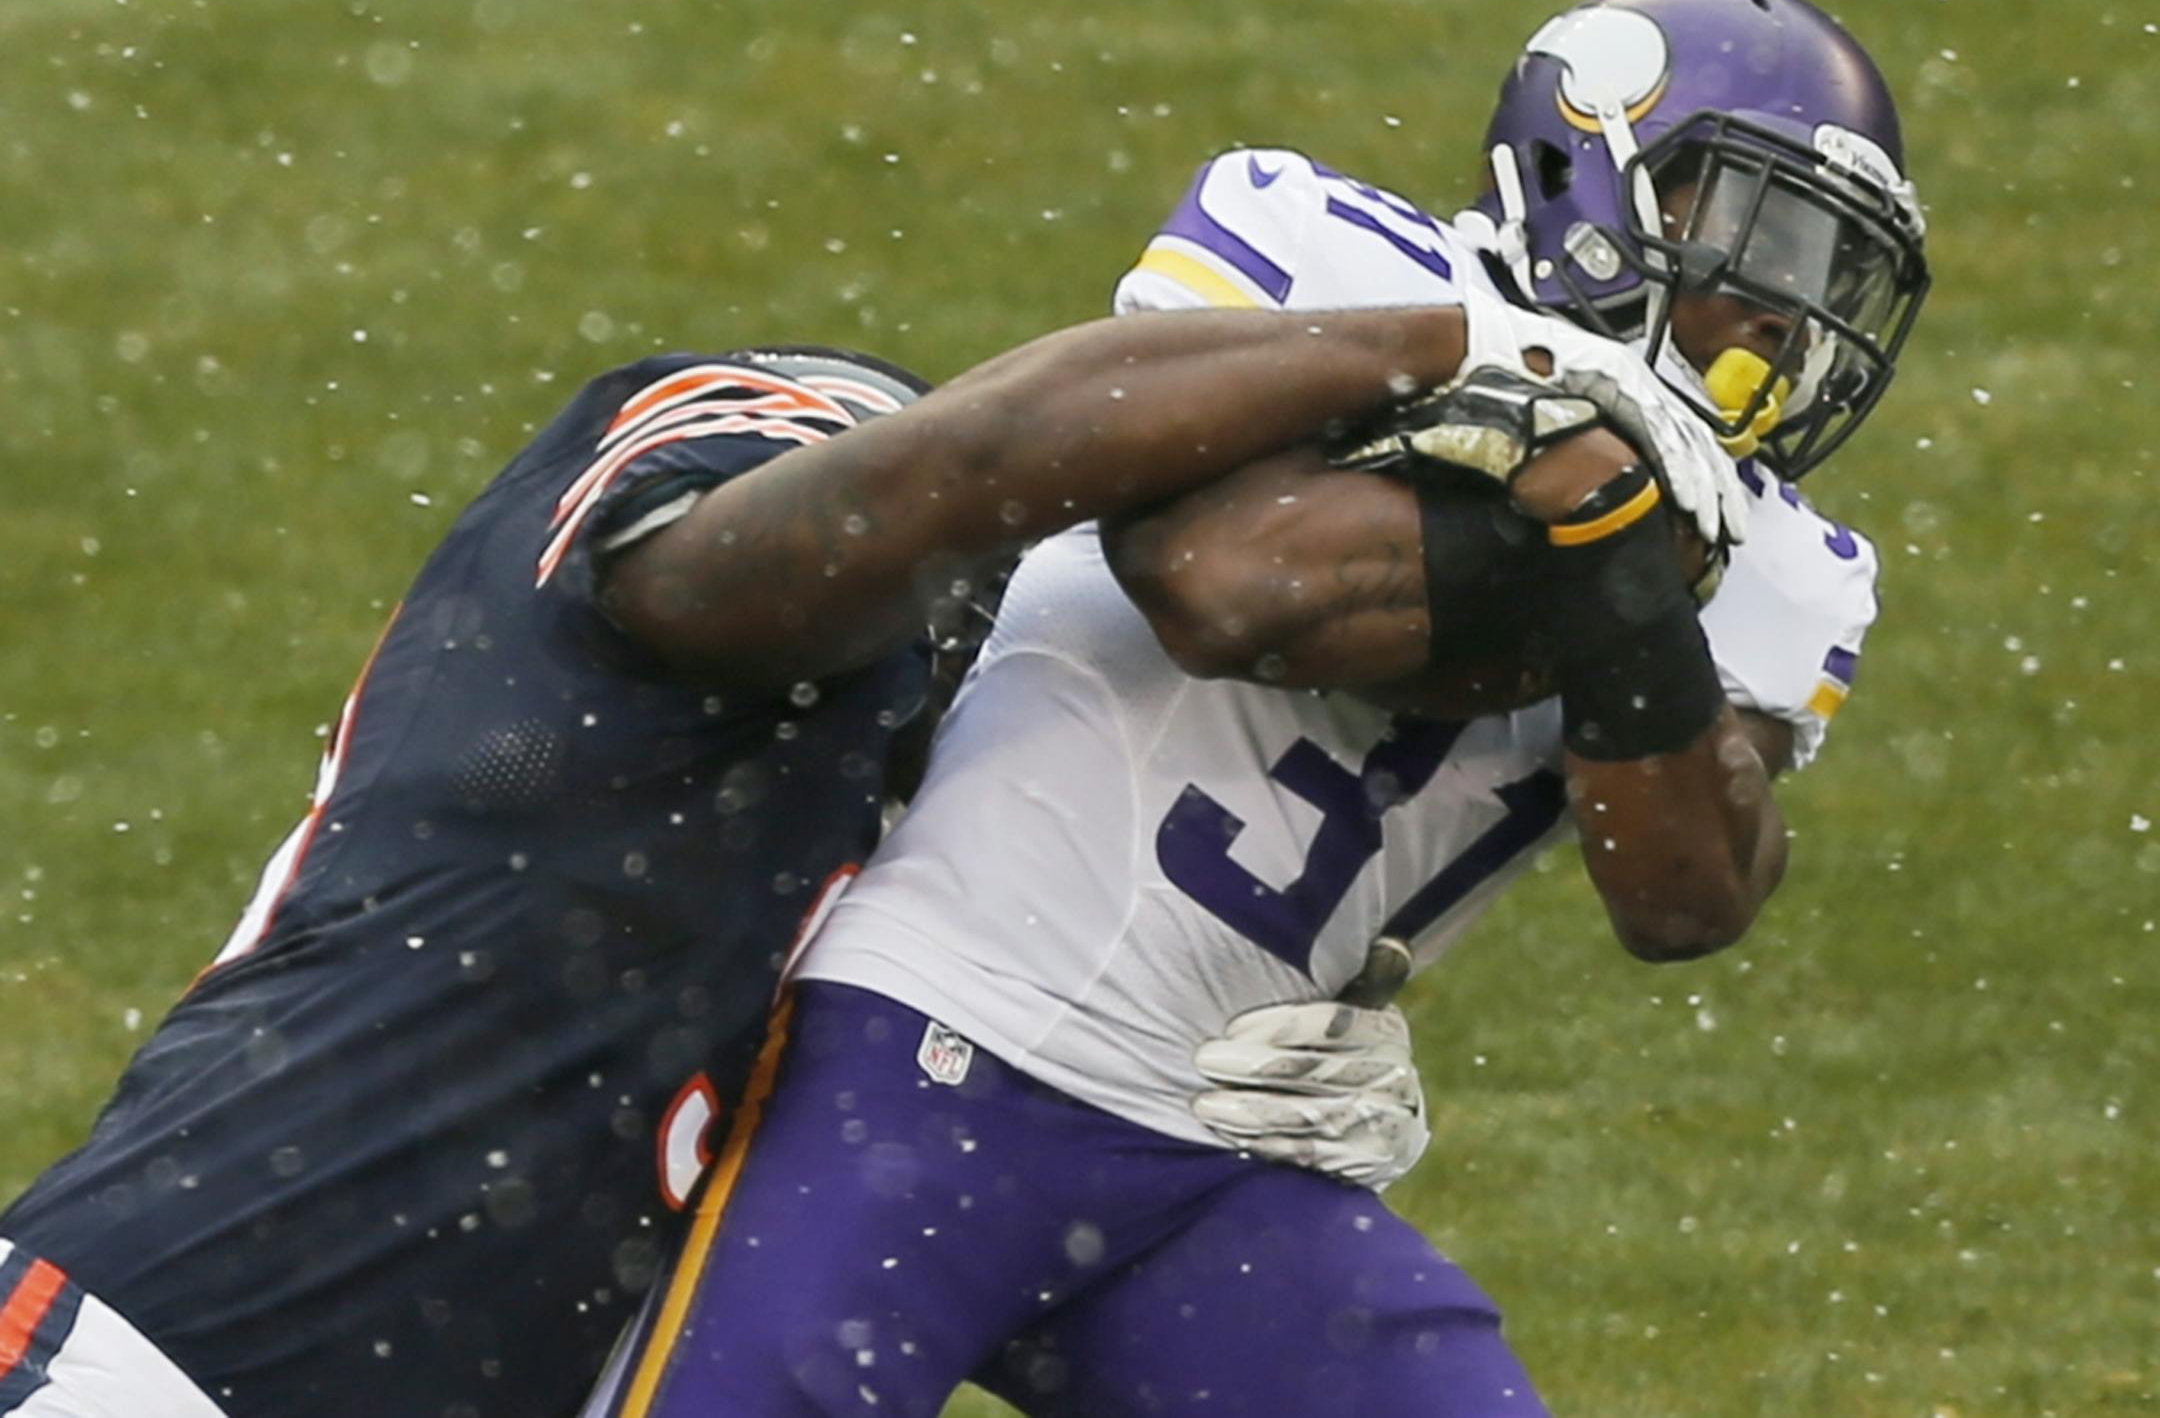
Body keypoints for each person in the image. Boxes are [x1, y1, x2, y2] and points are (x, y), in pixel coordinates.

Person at [584, 0, 1930, 1417]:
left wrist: (1627, 570)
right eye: (1759, 231)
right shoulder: (1336, 254)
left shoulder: (1783, 559)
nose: (1788, 312)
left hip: (1217, 1149)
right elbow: (1219, 589)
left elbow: (1686, 893)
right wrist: (1567, 514)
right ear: (1587, 175)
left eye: (1832, 269)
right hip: (921, 1046)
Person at [0, 305, 1690, 1418]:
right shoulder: (666, 561)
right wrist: (1468, 343)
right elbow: (963, 471)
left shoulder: (823, 794)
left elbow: (970, 1051)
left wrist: (1215, 1068)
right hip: (147, 1349)